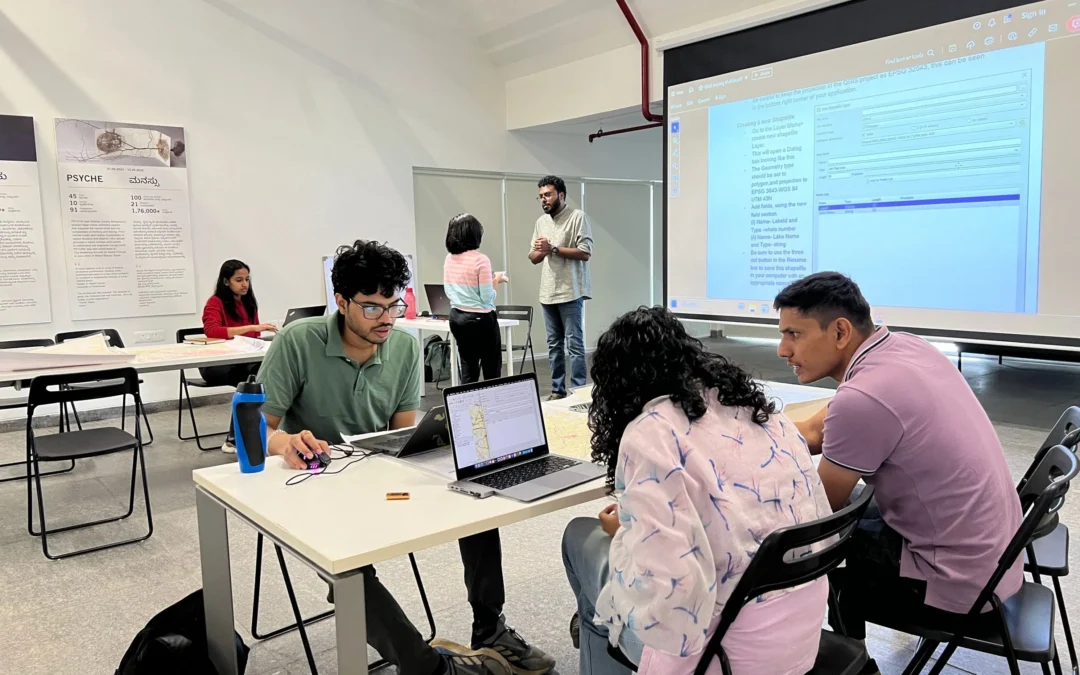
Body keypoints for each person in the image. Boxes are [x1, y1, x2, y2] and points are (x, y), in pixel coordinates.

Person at [256, 240, 555, 675]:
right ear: (341, 302)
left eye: (394, 306)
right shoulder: (298, 342)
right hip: (317, 483)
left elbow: (402, 434)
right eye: (372, 308)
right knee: (349, 573)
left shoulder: (403, 347)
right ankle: (427, 669)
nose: (387, 319)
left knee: (478, 494)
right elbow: (253, 430)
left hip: (377, 474)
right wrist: (284, 442)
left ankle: (490, 630)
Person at [773, 272, 1024, 674]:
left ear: (840, 331)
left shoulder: (863, 398)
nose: (782, 350)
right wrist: (753, 435)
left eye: (794, 334)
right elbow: (820, 429)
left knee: (818, 550)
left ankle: (854, 663)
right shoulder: (903, 348)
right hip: (997, 559)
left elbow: (816, 514)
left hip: (962, 586)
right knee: (858, 509)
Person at [562, 307, 833, 675]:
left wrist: (630, 538)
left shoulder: (651, 432)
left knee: (580, 542)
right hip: (801, 638)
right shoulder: (758, 411)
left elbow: (676, 595)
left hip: (722, 655)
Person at [200, 259, 277, 452]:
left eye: (247, 279)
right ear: (226, 281)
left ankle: (258, 431)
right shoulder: (215, 302)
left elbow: (254, 338)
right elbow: (212, 331)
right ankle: (234, 438)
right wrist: (251, 327)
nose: (245, 284)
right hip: (215, 365)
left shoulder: (249, 302)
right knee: (251, 380)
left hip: (243, 360)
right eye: (239, 280)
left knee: (265, 372)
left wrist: (255, 330)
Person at [529, 175, 592, 400]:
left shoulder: (577, 217)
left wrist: (553, 248)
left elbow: (585, 252)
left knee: (574, 345)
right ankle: (557, 390)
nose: (544, 199)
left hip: (570, 291)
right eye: (541, 196)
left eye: (548, 194)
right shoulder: (541, 222)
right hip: (547, 292)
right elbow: (533, 257)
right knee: (554, 346)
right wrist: (542, 250)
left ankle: (578, 392)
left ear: (561, 195)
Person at [444, 213, 508, 384]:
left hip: (457, 317)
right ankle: (492, 407)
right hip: (481, 319)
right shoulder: (481, 260)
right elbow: (487, 297)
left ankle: (468, 408)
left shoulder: (449, 259)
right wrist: (496, 280)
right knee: (491, 369)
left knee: (468, 368)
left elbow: (448, 289)